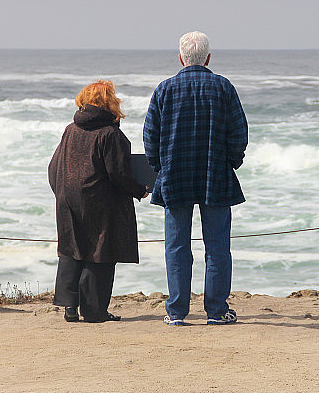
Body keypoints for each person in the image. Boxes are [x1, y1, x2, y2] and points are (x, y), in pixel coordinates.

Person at [144, 31, 248, 326]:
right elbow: (239, 134)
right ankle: (216, 310)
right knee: (217, 247)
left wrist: (160, 168)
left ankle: (177, 311)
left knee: (176, 247)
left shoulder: (165, 89)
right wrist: (230, 163)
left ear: (181, 58)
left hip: (175, 175)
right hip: (215, 174)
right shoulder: (223, 87)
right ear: (208, 58)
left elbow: (150, 137)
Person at [49, 80, 147, 323]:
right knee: (100, 250)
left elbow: (54, 166)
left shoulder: (71, 129)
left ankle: (69, 307)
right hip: (100, 200)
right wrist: (140, 190)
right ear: (110, 103)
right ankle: (94, 311)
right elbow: (118, 174)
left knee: (72, 247)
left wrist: (61, 192)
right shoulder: (110, 133)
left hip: (68, 197)